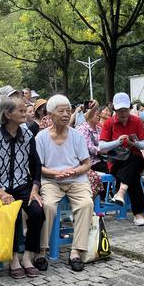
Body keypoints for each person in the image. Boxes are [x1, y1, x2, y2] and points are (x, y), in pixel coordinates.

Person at [0, 96, 45, 278]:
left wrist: (35, 188)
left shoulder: (28, 136)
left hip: (23, 187)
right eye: (21, 111)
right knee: (13, 213)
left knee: (37, 211)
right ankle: (13, 258)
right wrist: (0, 191)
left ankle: (28, 255)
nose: (25, 113)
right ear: (8, 114)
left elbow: (36, 165)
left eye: (25, 110)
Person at [36, 94, 94, 271]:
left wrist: (74, 171)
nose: (66, 114)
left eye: (68, 111)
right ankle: (41, 251)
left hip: (76, 180)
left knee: (86, 204)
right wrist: (54, 173)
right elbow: (37, 167)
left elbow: (86, 164)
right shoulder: (41, 138)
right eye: (61, 111)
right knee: (48, 206)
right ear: (50, 114)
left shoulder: (76, 136)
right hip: (51, 181)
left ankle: (76, 251)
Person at [98, 93, 144, 226]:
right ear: (114, 110)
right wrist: (117, 142)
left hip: (134, 158)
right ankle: (138, 214)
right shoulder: (109, 123)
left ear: (130, 108)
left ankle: (121, 192)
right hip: (116, 161)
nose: (123, 113)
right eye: (120, 111)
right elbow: (101, 147)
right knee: (134, 176)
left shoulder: (136, 121)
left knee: (135, 159)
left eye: (125, 110)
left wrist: (135, 144)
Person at [77, 101, 108, 173]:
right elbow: (89, 148)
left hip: (102, 159)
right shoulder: (82, 128)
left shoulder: (99, 129)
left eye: (98, 115)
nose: (98, 116)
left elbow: (105, 142)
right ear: (88, 114)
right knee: (116, 170)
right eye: (96, 115)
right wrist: (103, 150)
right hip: (90, 162)